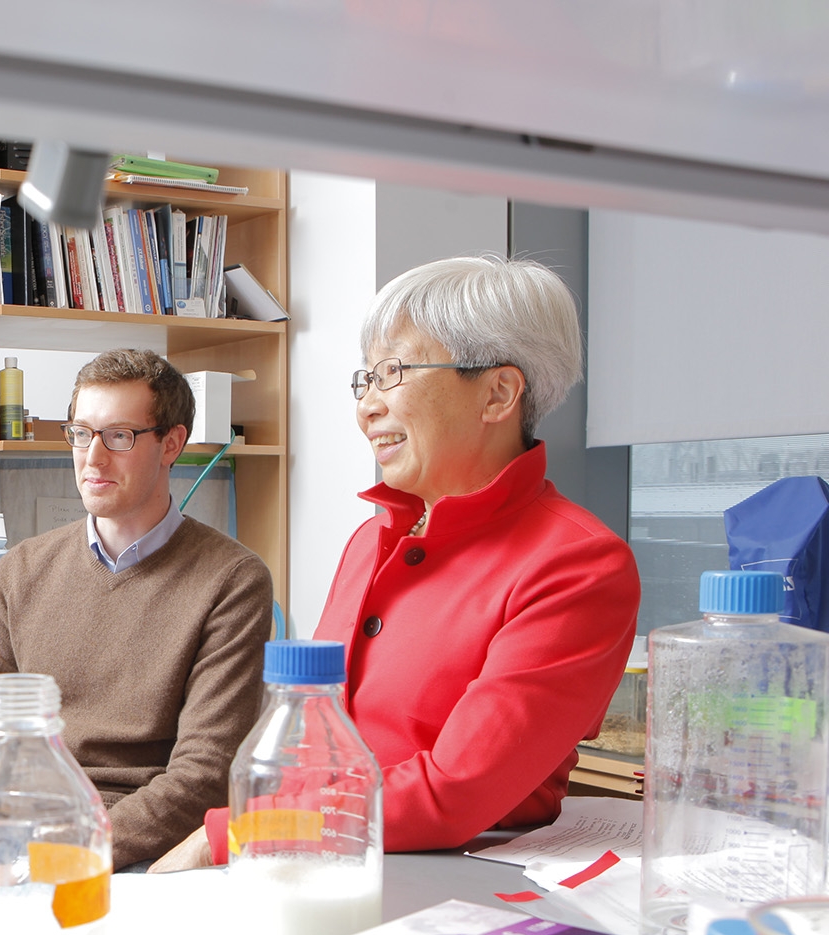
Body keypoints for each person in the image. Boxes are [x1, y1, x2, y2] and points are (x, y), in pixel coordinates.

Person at [153, 255, 639, 870]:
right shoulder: (372, 538)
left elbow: (455, 790)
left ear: (498, 393)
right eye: (367, 379)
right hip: (307, 856)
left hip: (453, 875)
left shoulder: (578, 564)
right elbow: (309, 739)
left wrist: (232, 835)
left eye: (394, 373)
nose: (367, 407)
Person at [0, 349, 272, 904]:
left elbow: (203, 774)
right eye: (81, 434)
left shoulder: (232, 581)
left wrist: (52, 859)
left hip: (126, 849)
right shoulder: (22, 570)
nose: (93, 458)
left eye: (120, 436)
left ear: (171, 444)